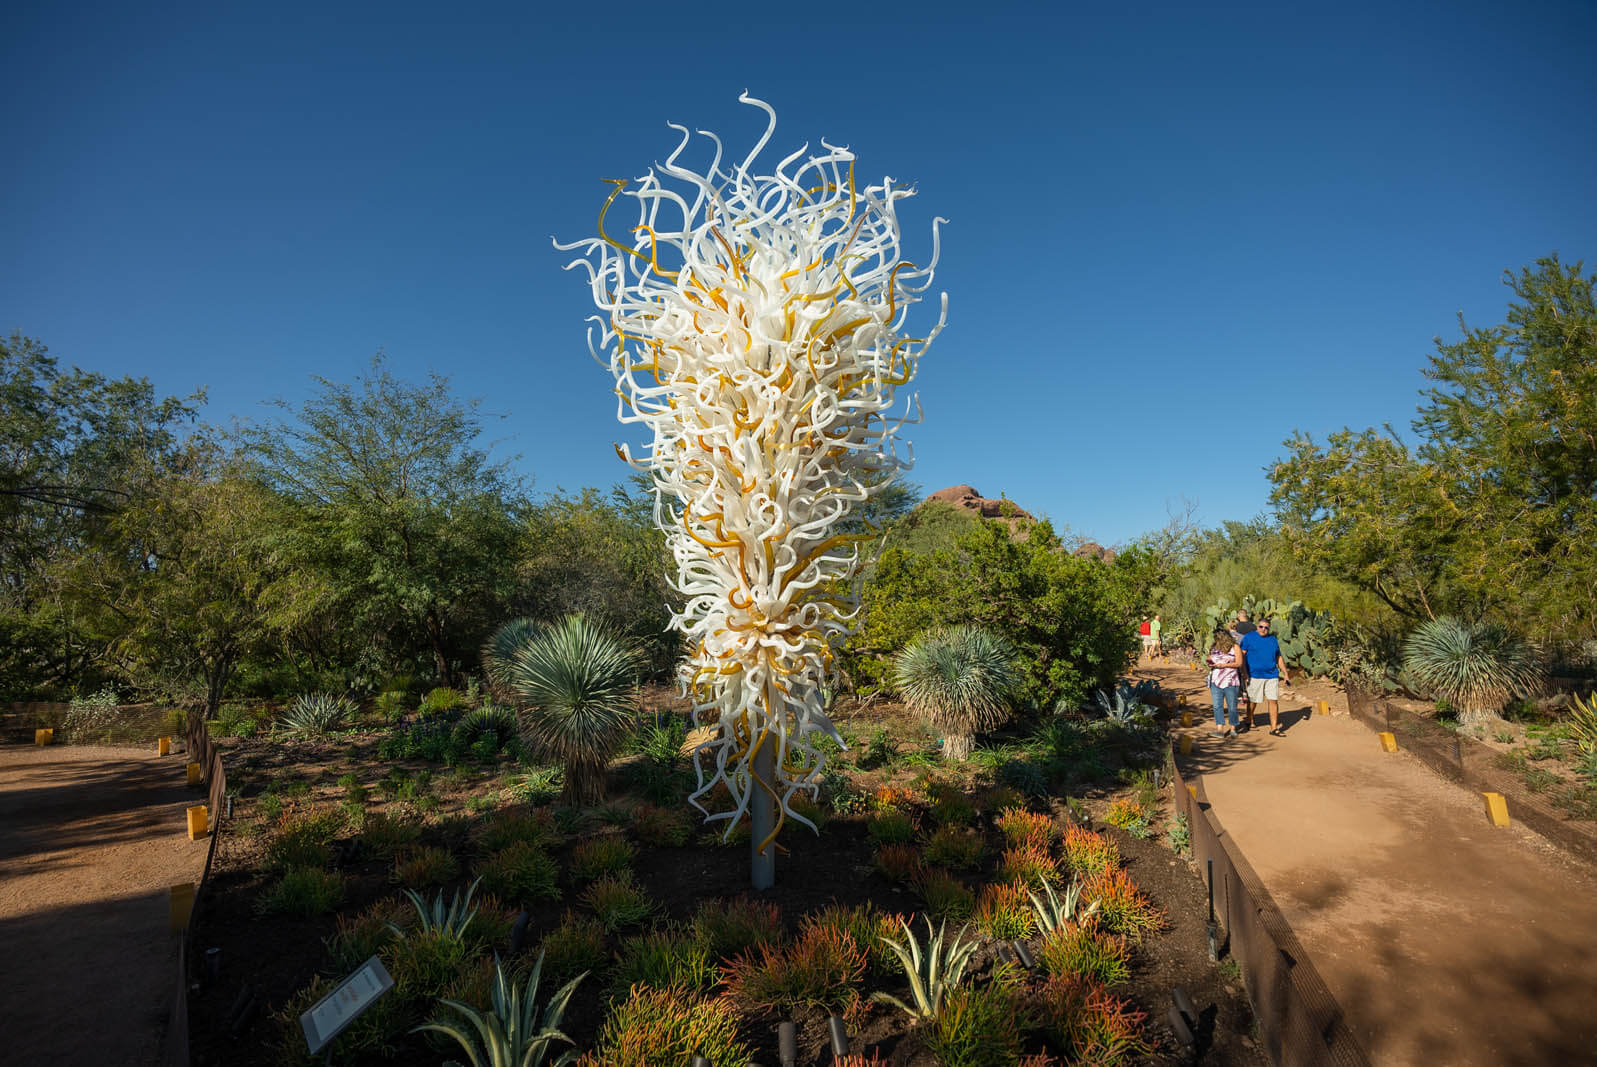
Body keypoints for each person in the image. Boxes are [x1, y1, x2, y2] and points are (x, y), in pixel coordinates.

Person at [1240, 617, 1291, 736]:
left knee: (1273, 700)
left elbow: (1279, 657)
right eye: (1261, 627)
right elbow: (1242, 655)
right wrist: (1244, 672)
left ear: (1269, 629)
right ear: (1257, 626)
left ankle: (1274, 728)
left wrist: (1286, 674)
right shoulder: (1249, 638)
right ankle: (1249, 719)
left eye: (1266, 628)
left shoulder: (1273, 640)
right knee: (1253, 700)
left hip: (1272, 675)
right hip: (1254, 675)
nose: (1263, 629)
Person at [1207, 630, 1242, 737]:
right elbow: (1210, 658)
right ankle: (1220, 729)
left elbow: (1239, 663)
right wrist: (1210, 662)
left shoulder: (1235, 647)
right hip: (1215, 680)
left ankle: (1233, 728)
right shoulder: (1214, 647)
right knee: (1217, 705)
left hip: (1231, 680)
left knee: (1232, 706)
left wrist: (1224, 665)